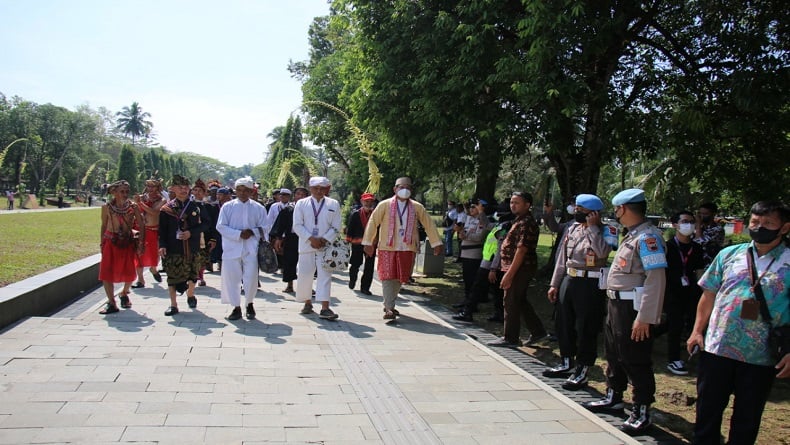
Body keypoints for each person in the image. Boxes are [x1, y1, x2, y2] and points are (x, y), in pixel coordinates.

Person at [687, 200, 790, 445]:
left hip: (760, 355)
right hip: (717, 347)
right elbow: (708, 294)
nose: (759, 227)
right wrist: (697, 331)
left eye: (767, 223)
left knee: (747, 418)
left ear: (784, 228)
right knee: (707, 412)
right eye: (754, 222)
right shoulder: (730, 254)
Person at [582, 188, 667, 436]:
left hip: (633, 307)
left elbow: (656, 278)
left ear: (624, 209)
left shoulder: (648, 238)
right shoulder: (631, 236)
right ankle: (613, 396)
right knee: (614, 353)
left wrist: (645, 316)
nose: (615, 213)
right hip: (616, 303)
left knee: (635, 357)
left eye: (617, 209)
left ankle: (641, 411)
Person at [543, 194, 615, 391]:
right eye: (576, 209)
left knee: (586, 327)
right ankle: (566, 361)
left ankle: (582, 369)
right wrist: (555, 284)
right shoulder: (572, 227)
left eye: (581, 211)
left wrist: (592, 228)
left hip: (590, 283)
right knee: (563, 322)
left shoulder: (607, 230)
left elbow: (602, 252)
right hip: (570, 278)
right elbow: (561, 257)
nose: (577, 213)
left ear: (593, 213)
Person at [362, 177, 443, 319]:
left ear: (411, 190)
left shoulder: (417, 207)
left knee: (400, 277)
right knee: (388, 276)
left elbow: (428, 224)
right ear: (395, 189)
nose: (404, 190)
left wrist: (436, 243)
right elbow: (373, 223)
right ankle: (389, 307)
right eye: (401, 187)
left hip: (408, 247)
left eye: (407, 187)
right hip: (387, 246)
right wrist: (368, 242)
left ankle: (390, 303)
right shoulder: (384, 205)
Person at [487, 192, 549, 347]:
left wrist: (509, 274)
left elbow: (521, 250)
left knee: (510, 301)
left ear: (527, 205)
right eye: (512, 202)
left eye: (517, 203)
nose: (513, 205)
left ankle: (511, 338)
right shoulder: (518, 220)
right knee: (519, 300)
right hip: (512, 266)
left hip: (521, 268)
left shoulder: (526, 222)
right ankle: (538, 331)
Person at [216, 177, 268, 320]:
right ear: (235, 191)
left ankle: (249, 303)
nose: (242, 193)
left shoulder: (259, 208)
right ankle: (236, 307)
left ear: (251, 191)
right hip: (232, 247)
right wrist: (238, 234)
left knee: (251, 277)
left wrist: (252, 232)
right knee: (232, 278)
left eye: (246, 190)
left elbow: (265, 227)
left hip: (251, 248)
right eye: (239, 190)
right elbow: (220, 226)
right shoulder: (228, 207)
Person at [659, 211, 704, 376]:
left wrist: (702, 292)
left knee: (690, 323)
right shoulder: (668, 247)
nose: (689, 225)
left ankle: (693, 354)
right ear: (675, 225)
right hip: (672, 291)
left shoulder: (696, 248)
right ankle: (673, 359)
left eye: (692, 222)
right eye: (685, 221)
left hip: (691, 291)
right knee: (674, 325)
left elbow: (699, 271)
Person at [453, 200, 513, 322]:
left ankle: (468, 312)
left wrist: (493, 268)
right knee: (495, 290)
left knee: (479, 287)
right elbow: (487, 224)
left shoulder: (506, 227)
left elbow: (500, 248)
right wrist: (481, 213)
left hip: (492, 263)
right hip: (488, 261)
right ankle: (499, 314)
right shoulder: (500, 225)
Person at [158, 175, 209, 316]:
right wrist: (162, 245)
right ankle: (173, 304)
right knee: (172, 276)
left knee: (192, 275)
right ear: (173, 189)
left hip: (192, 246)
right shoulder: (166, 209)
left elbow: (206, 224)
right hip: (173, 247)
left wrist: (191, 232)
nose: (183, 190)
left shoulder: (196, 207)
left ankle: (190, 294)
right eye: (180, 187)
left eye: (186, 187)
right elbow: (162, 230)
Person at [292, 176, 342, 320]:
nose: (319, 191)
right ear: (310, 188)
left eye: (322, 188)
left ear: (327, 189)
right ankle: (307, 302)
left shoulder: (333, 203)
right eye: (316, 188)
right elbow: (297, 225)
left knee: (325, 275)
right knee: (305, 274)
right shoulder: (301, 203)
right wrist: (311, 238)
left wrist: (325, 239)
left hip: (325, 246)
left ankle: (325, 307)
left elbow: (336, 226)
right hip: (306, 244)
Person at [98, 180, 145, 314]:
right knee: (106, 272)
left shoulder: (133, 207)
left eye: (126, 192)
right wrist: (102, 242)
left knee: (130, 272)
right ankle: (111, 302)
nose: (125, 194)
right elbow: (103, 225)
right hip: (110, 241)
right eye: (121, 192)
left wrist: (141, 242)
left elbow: (141, 225)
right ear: (114, 193)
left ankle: (124, 293)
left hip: (127, 241)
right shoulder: (107, 207)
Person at [270, 187, 308, 293]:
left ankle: (307, 286)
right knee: (289, 262)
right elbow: (280, 225)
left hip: (307, 238)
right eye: (298, 194)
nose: (300, 196)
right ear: (294, 196)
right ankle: (290, 285)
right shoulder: (288, 209)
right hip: (291, 238)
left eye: (303, 194)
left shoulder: (310, 209)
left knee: (306, 263)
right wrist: (278, 238)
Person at [132, 178, 166, 288]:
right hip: (140, 230)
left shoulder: (162, 200)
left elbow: (154, 213)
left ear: (158, 188)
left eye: (153, 186)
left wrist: (140, 204)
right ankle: (140, 280)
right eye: (148, 186)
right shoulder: (141, 198)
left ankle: (153, 269)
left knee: (154, 255)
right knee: (138, 254)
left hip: (152, 230)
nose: (150, 189)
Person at [346, 192, 377, 295]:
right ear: (362, 201)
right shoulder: (356, 214)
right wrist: (348, 241)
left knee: (369, 267)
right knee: (355, 264)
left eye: (371, 201)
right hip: (357, 243)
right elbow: (350, 229)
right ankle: (352, 279)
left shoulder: (376, 215)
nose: (368, 203)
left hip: (371, 244)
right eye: (366, 201)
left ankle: (365, 287)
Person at [694, 202, 725, 267]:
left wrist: (698, 225)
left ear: (713, 214)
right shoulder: (697, 228)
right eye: (700, 213)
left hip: (709, 265)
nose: (701, 216)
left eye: (705, 214)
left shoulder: (718, 229)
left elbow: (699, 242)